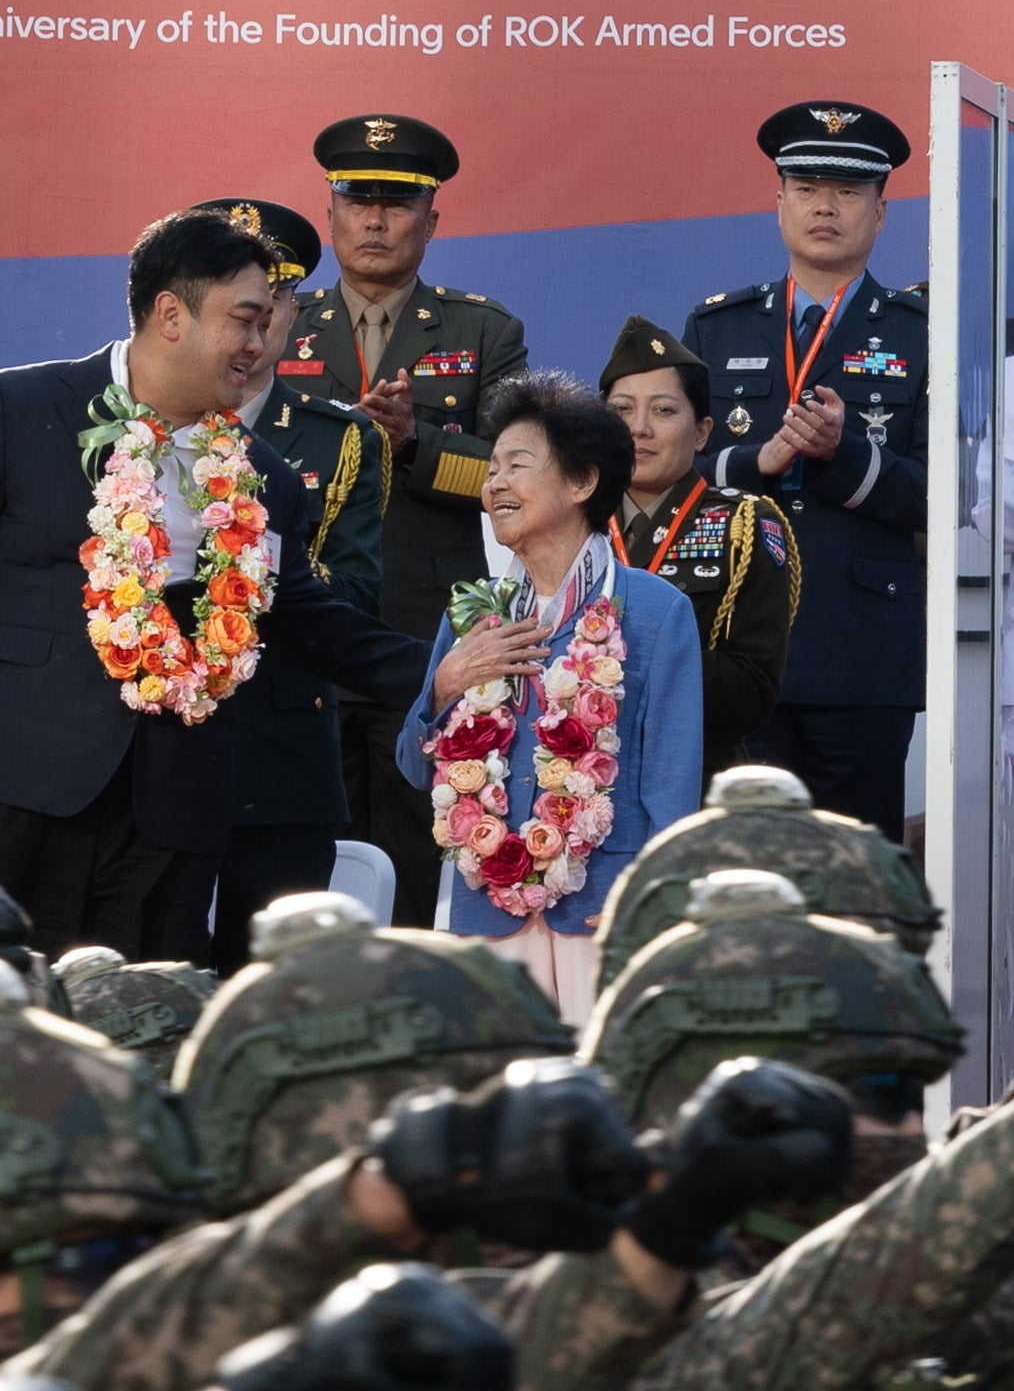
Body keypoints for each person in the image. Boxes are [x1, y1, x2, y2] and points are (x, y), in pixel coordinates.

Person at [0, 207, 414, 962]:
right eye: (244, 320)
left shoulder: (262, 475)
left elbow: (305, 613)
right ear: (170, 313)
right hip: (9, 782)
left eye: (266, 322)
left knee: (143, 1027)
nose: (260, 344)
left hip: (173, 805)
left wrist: (439, 672)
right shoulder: (14, 408)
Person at [271, 114, 523, 926]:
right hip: (303, 630)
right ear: (332, 214)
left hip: (428, 643)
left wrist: (417, 443)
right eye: (358, 202)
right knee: (302, 864)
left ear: (431, 221)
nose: (375, 221)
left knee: (417, 867)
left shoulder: (483, 330)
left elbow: (515, 474)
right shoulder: (278, 324)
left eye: (396, 204)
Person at [390, 373, 699, 1017]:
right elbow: (413, 767)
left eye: (517, 465)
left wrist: (652, 906)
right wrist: (448, 684)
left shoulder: (651, 610)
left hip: (603, 914)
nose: (495, 483)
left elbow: (671, 786)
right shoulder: (473, 615)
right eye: (492, 468)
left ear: (583, 481)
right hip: (487, 914)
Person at [678, 98, 927, 834]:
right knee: (740, 864)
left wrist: (842, 456)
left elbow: (944, 496)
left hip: (860, 646)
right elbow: (674, 472)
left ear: (881, 215)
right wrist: (761, 459)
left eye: (849, 192)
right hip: (734, 641)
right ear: (778, 203)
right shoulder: (718, 324)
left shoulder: (922, 333)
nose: (827, 207)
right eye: (809, 189)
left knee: (856, 870)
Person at [201, 200, 391, 961]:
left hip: (275, 756)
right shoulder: (119, 425)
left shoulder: (338, 437)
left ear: (292, 309)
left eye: (275, 296)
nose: (255, 318)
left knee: (275, 988)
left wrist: (243, 573)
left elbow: (351, 595)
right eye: (235, 295)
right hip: (136, 749)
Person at [596, 317, 795, 787]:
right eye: (621, 410)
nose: (639, 429)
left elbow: (753, 692)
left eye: (664, 411)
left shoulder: (743, 525)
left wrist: (619, 655)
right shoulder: (569, 520)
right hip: (574, 781)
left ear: (703, 432)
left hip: (693, 776)